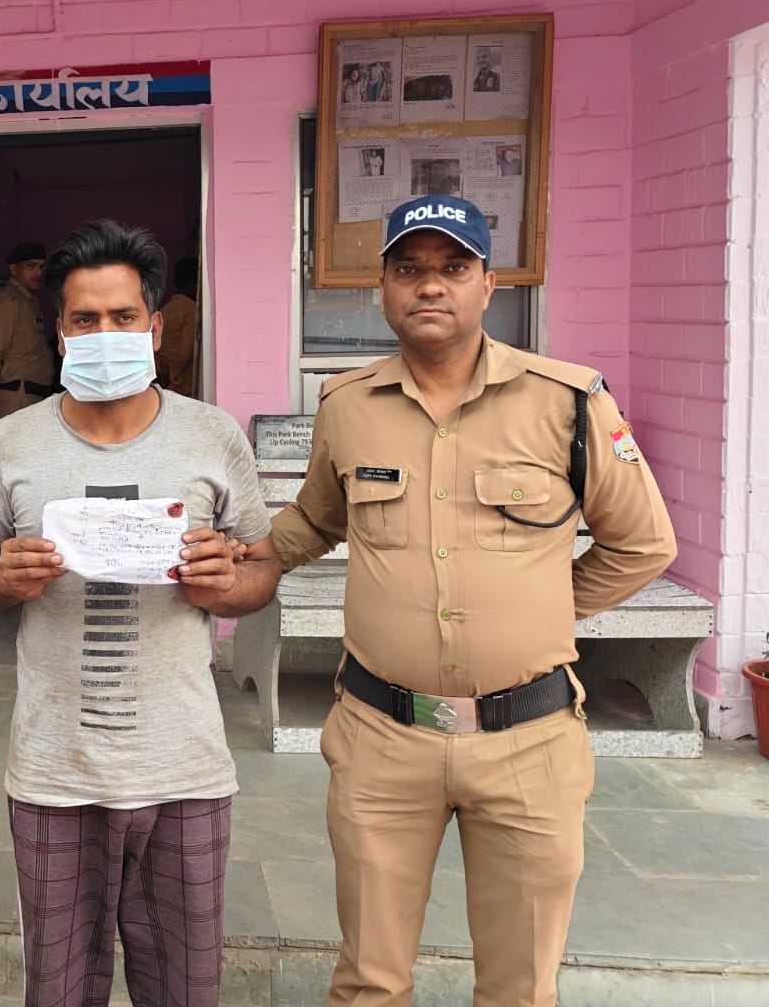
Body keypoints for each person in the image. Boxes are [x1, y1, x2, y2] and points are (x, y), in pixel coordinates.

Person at [269, 196, 677, 1007]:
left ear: (489, 284)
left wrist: (543, 609)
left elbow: (643, 544)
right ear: (382, 288)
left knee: (521, 988)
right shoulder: (346, 404)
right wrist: (240, 555)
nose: (431, 286)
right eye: (409, 269)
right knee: (368, 982)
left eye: (453, 268)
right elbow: (313, 520)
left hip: (529, 742)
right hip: (382, 740)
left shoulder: (568, 401)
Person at [0, 220, 282, 1007]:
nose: (105, 334)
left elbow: (263, 569)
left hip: (185, 768)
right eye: (85, 319)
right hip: (54, 771)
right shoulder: (7, 444)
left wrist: (221, 585)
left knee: (185, 984)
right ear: (60, 333)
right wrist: (5, 578)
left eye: (123, 317)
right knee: (60, 986)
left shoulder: (212, 435)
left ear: (156, 328)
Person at [0, 240, 56, 424]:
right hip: (17, 398)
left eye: (42, 267)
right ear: (13, 269)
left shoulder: (27, 302)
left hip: (29, 397)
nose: (38, 273)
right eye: (30, 266)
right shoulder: (10, 302)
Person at [155, 254, 199, 397]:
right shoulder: (192, 310)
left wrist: (163, 377)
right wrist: (173, 376)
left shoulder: (165, 310)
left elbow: (156, 350)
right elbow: (185, 353)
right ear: (195, 284)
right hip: (182, 385)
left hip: (165, 383)